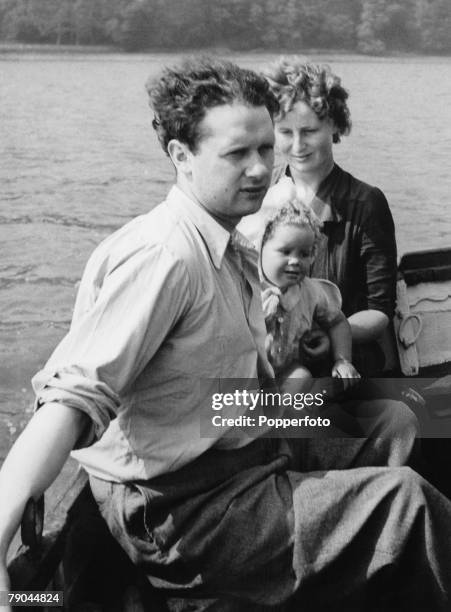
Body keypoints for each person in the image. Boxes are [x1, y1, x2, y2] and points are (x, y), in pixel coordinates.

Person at [1, 58, 451, 612]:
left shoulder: (230, 241)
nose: (263, 168)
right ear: (181, 157)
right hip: (185, 502)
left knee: (394, 419)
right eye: (238, 153)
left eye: (267, 148)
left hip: (230, 422)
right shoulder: (166, 258)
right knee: (408, 505)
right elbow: (71, 397)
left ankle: (348, 572)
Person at [239, 58, 397, 376]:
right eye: (284, 132)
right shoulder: (258, 193)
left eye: (309, 131)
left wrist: (330, 337)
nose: (297, 146)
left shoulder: (366, 203)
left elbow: (379, 312)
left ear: (335, 125)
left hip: (341, 362)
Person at [259, 200, 360, 391]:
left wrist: (342, 359)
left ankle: (283, 413)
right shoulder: (246, 287)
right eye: (285, 251)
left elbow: (337, 321)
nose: (295, 260)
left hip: (284, 370)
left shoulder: (310, 291)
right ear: (261, 247)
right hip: (246, 372)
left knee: (301, 377)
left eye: (304, 254)